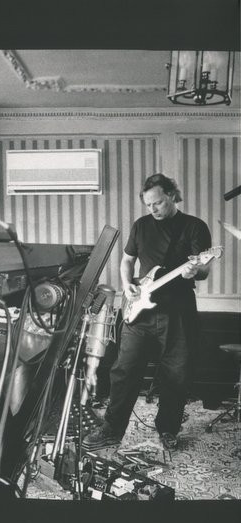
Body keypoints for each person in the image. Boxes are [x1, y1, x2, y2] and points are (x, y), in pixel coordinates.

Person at [82, 173, 212, 451]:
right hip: (140, 310)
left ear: (172, 196)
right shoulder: (141, 225)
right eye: (148, 204)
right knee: (124, 370)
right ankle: (112, 429)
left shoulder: (194, 227)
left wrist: (194, 270)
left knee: (176, 374)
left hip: (178, 312)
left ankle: (168, 429)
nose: (153, 209)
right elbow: (127, 261)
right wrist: (126, 284)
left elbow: (204, 268)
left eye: (158, 203)